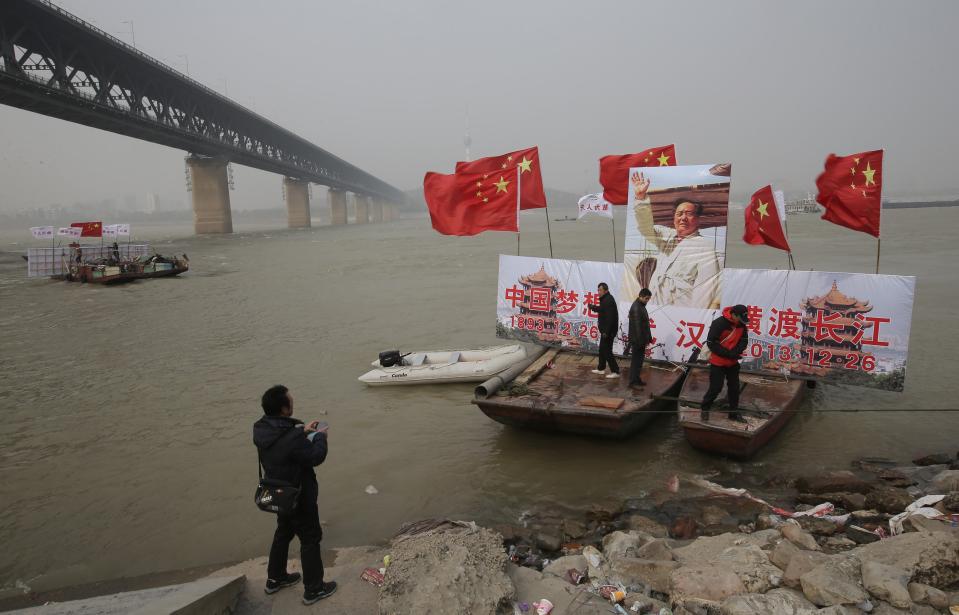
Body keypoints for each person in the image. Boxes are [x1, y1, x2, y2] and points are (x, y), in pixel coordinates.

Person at [253, 385, 337, 605]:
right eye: (290, 400)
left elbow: (281, 444)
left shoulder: (262, 430)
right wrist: (320, 436)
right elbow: (315, 457)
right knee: (310, 538)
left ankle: (275, 578)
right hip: (299, 494)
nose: (293, 402)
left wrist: (301, 431)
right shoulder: (291, 437)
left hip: (279, 492)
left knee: (283, 532)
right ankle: (314, 590)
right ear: (283, 409)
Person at [626, 171, 722, 309]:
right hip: (654, 305)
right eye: (679, 214)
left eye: (689, 214)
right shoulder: (667, 236)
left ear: (698, 219)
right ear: (674, 218)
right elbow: (645, 227)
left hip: (681, 309)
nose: (683, 218)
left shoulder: (705, 246)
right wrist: (641, 199)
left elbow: (705, 287)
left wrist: (695, 316)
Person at [700, 305, 750, 423]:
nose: (743, 322)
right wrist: (728, 354)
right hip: (718, 362)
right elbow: (712, 343)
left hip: (733, 362)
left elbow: (744, 341)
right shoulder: (719, 323)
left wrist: (735, 352)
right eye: (741, 319)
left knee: (734, 388)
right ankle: (705, 408)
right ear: (734, 315)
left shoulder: (742, 325)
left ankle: (733, 414)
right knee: (716, 387)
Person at [587, 282, 620, 379]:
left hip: (608, 332)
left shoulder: (608, 300)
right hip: (605, 331)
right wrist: (593, 307)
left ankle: (615, 371)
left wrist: (606, 331)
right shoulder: (605, 299)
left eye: (600, 290)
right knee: (602, 349)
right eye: (598, 290)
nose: (598, 292)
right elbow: (602, 310)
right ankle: (601, 368)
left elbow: (610, 318)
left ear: (606, 290)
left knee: (607, 351)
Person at [627, 288, 653, 388]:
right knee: (636, 361)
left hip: (641, 339)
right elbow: (637, 327)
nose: (647, 301)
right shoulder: (637, 307)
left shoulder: (641, 305)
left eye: (648, 299)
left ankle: (636, 379)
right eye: (646, 298)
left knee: (639, 361)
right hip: (637, 340)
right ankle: (633, 382)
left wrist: (648, 338)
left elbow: (645, 324)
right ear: (641, 296)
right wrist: (641, 341)